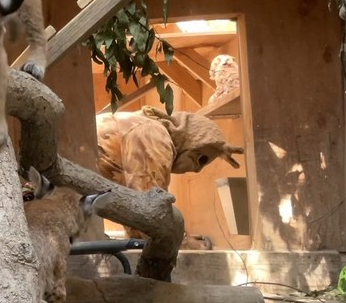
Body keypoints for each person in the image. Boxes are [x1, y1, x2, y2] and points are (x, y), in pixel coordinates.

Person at [96, 106, 244, 249]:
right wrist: (181, 242)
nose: (198, 170)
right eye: (201, 159)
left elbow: (135, 209)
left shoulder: (143, 126)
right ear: (191, 142)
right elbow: (149, 208)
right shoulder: (153, 134)